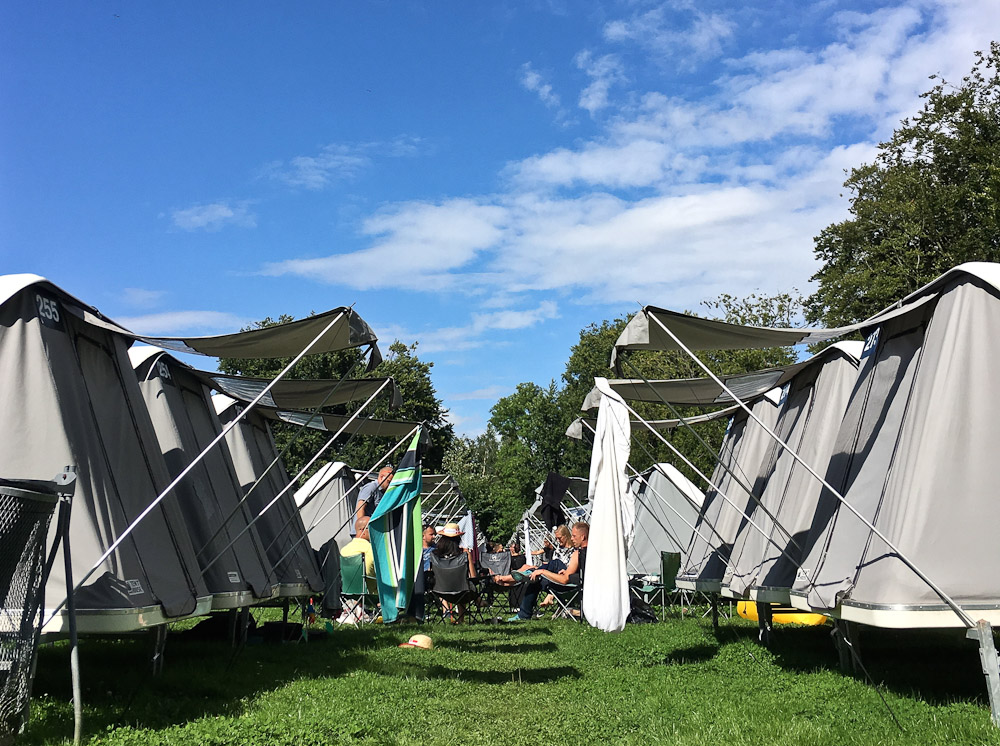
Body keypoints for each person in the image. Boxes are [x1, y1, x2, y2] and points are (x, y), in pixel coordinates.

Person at [507, 521, 588, 621]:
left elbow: (564, 580)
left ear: (583, 537)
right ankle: (530, 574)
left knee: (550, 567)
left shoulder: (578, 553)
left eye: (574, 536)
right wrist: (567, 572)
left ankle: (523, 612)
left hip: (570, 588)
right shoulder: (594, 553)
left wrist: (542, 572)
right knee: (536, 578)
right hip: (581, 586)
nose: (572, 538)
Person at [431, 522, 476, 623]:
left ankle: (446, 611)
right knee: (463, 583)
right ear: (458, 539)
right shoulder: (464, 555)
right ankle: (461, 619)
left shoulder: (434, 555)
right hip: (462, 593)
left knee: (459, 583)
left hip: (440, 592)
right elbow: (473, 576)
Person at [340, 516, 376, 623]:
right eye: (371, 528)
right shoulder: (369, 549)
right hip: (369, 592)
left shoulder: (344, 550)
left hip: (347, 591)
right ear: (363, 530)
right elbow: (373, 572)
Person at [355, 465, 393, 532]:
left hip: (373, 532)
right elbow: (360, 508)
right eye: (389, 482)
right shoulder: (371, 487)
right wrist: (362, 529)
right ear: (381, 477)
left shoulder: (384, 492)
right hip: (363, 533)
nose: (390, 485)